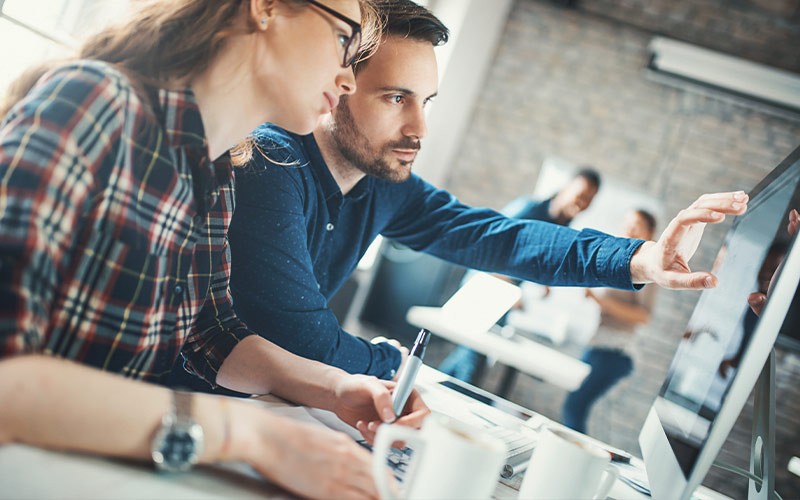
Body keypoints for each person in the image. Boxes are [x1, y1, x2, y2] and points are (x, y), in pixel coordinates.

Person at [0, 2, 429, 499]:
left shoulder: (216, 166)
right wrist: (251, 435)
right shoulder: (97, 102)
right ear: (266, 7)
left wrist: (334, 389)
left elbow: (212, 333)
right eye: (342, 40)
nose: (348, 78)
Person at [205, 0, 748, 388]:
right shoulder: (270, 164)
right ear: (339, 83)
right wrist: (392, 363)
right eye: (397, 98)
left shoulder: (383, 186)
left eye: (428, 102)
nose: (419, 128)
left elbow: (501, 238)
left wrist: (643, 258)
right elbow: (306, 341)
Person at [438, 168, 601, 382]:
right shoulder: (529, 209)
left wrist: (541, 282)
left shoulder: (561, 225)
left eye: (589, 199)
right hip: (484, 288)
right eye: (581, 194)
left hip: (502, 297)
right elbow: (490, 243)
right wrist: (511, 290)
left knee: (466, 359)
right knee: (471, 365)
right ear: (566, 188)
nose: (582, 202)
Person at [561, 209, 658, 434]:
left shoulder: (647, 267)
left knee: (574, 405)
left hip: (615, 352)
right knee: (575, 405)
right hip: (597, 345)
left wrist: (598, 300)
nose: (628, 230)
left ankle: (578, 463)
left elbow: (643, 316)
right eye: (626, 224)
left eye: (636, 226)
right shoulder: (621, 261)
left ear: (650, 233)